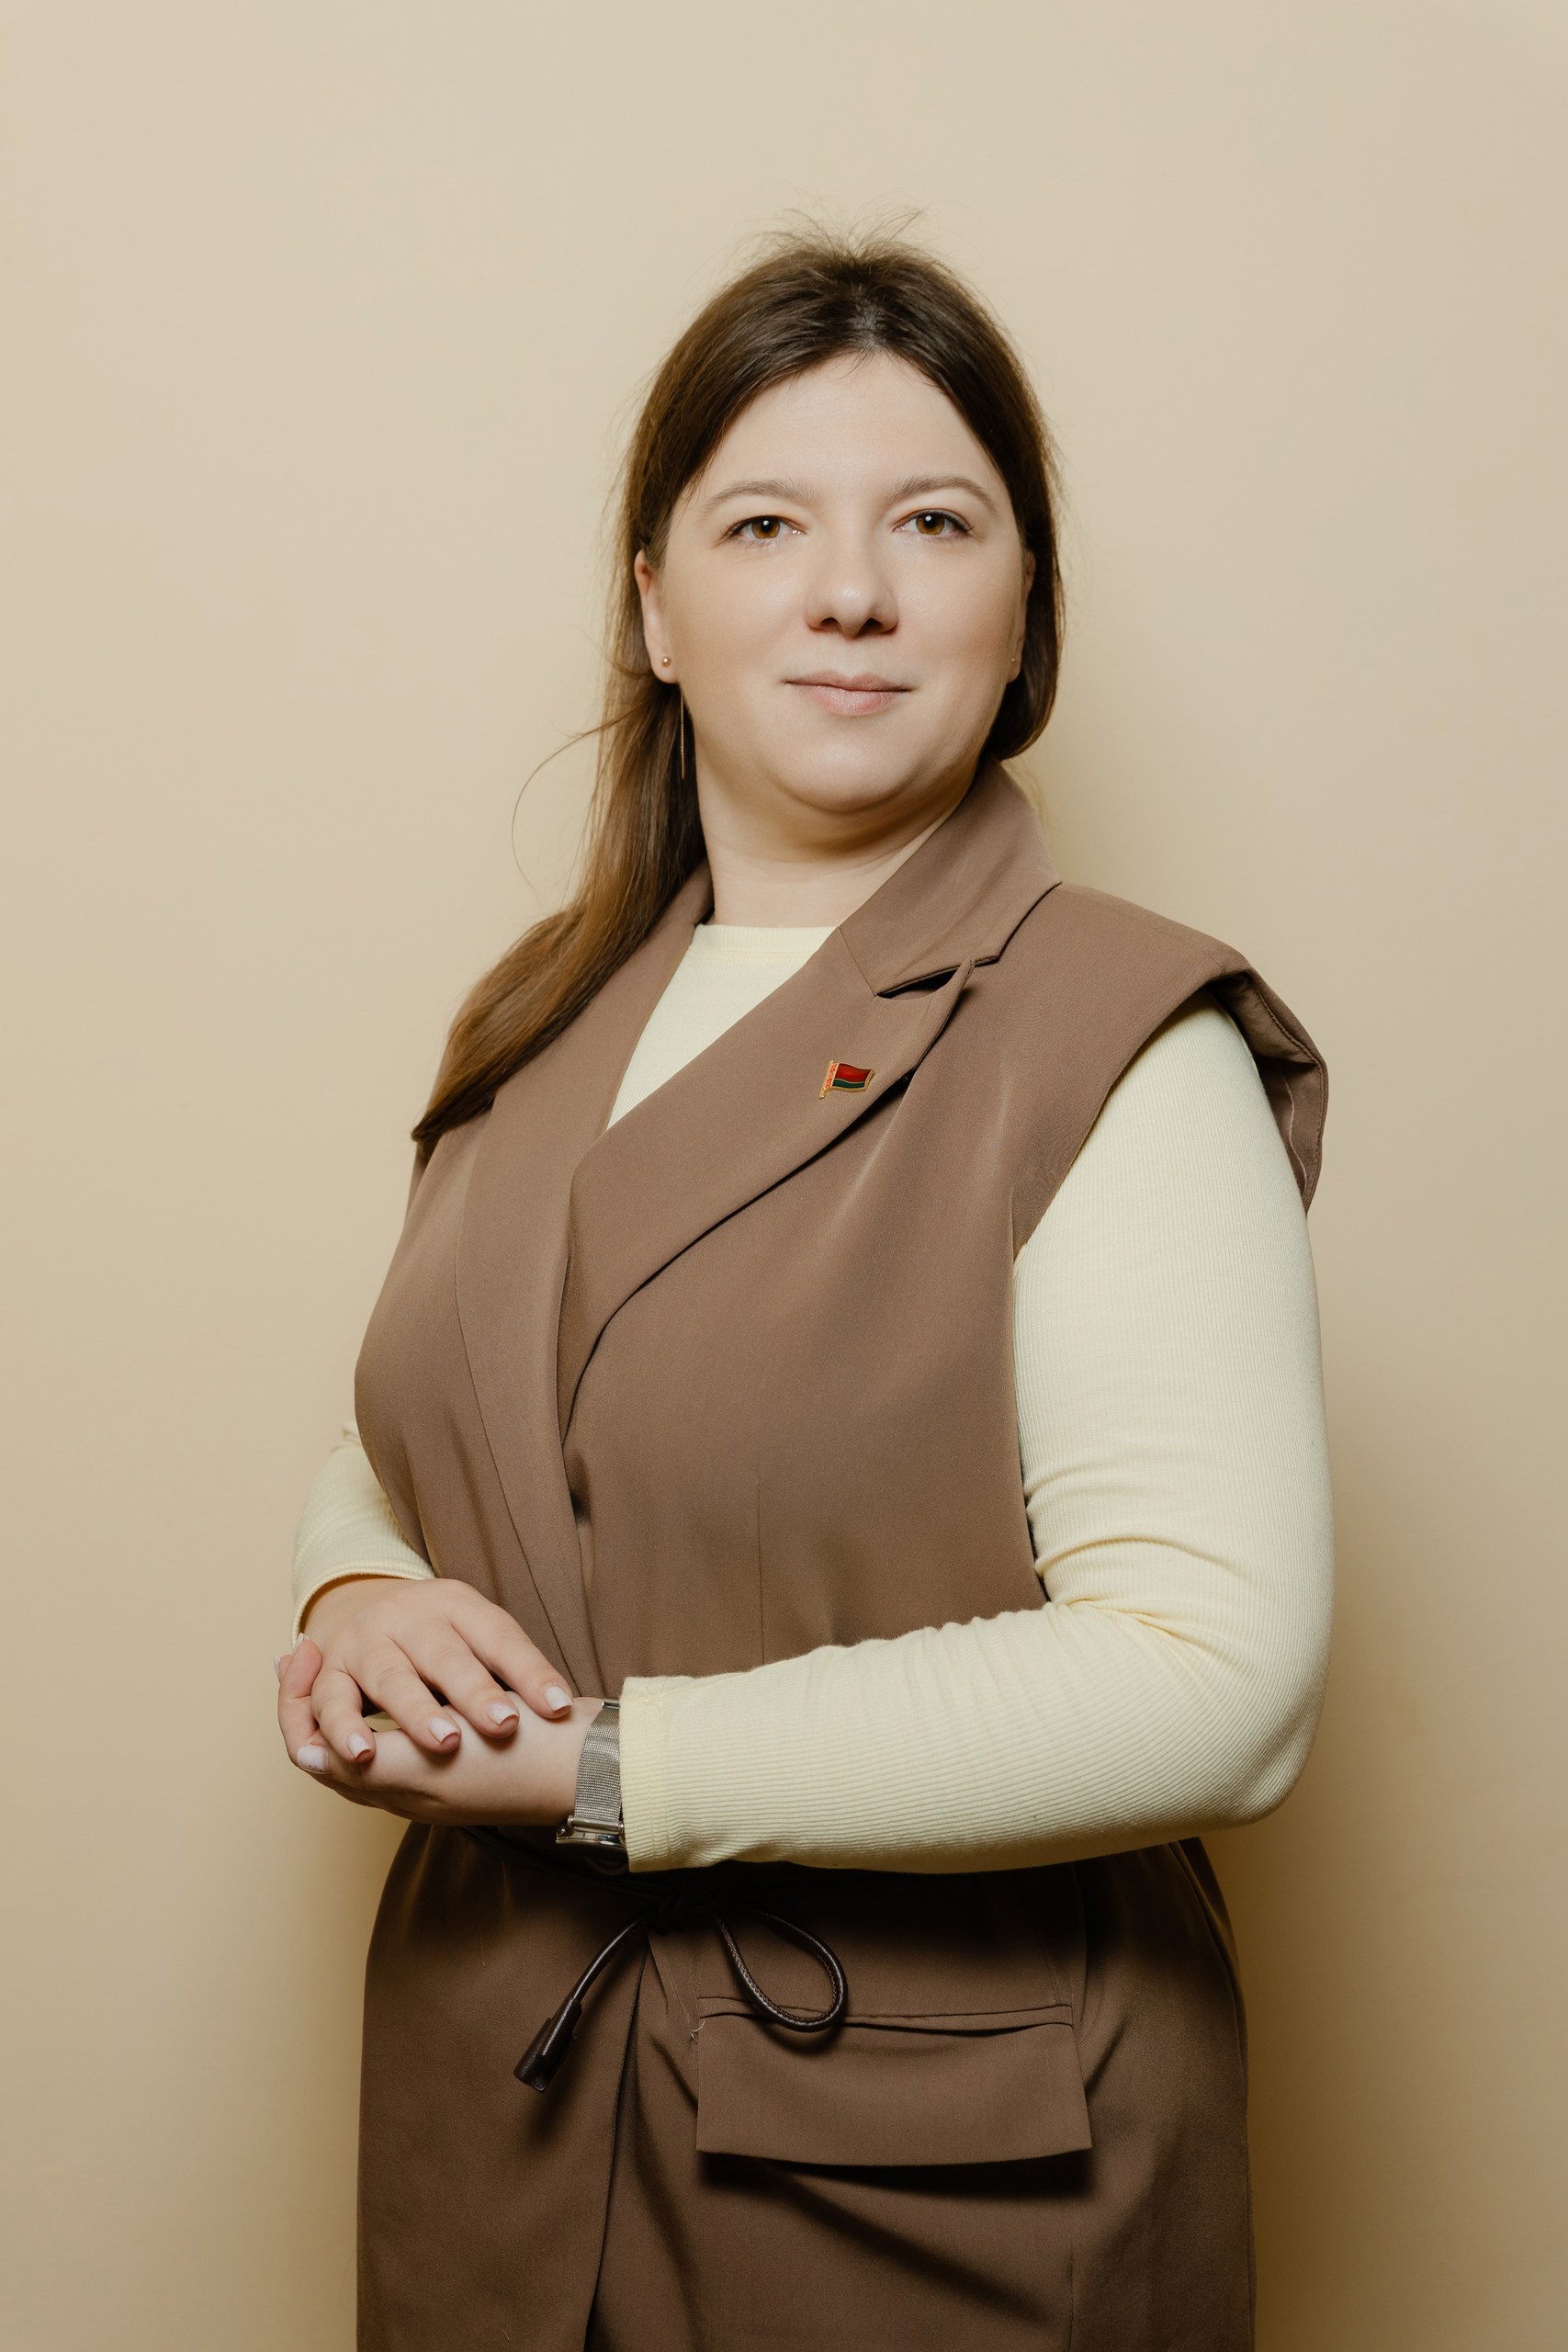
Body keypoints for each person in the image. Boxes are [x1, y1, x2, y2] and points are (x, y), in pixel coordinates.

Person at [276, 230, 1333, 2352]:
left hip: (938, 2184)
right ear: (653, 606)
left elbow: (1214, 1675)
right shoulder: (540, 1013)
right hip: (503, 2129)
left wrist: (606, 1766)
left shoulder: (1119, 1036)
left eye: (930, 523)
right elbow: (444, 1420)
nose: (848, 590)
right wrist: (354, 1585)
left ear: (1021, 613)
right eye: (764, 523)